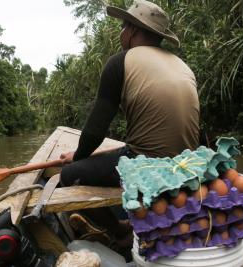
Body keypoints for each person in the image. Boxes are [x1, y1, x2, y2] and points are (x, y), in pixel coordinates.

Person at [59, 0, 200, 258]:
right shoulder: (182, 66)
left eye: (123, 27)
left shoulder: (120, 62)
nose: (121, 33)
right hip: (187, 165)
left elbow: (95, 130)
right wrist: (89, 156)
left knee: (69, 175)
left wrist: (77, 160)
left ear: (132, 31)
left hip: (147, 164)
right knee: (117, 154)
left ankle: (120, 230)